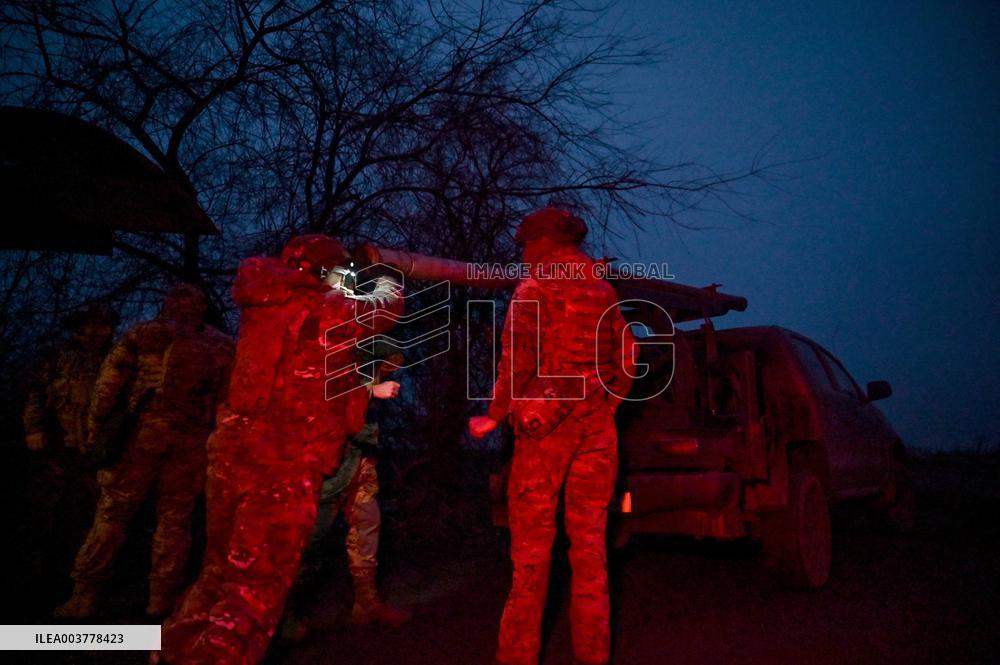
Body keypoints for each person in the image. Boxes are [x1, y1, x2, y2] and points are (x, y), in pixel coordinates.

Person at [159, 235, 403, 665]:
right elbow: (387, 307)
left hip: (234, 458)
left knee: (217, 572)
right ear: (323, 272)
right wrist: (385, 272)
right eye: (340, 272)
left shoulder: (264, 305)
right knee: (253, 591)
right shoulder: (322, 309)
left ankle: (173, 650)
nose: (344, 280)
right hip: (283, 467)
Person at [469, 208, 637, 665]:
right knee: (591, 550)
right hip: (597, 432)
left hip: (544, 434)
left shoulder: (535, 287)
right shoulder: (602, 290)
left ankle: (518, 657)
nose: (524, 254)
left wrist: (494, 415)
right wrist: (607, 407)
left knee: (531, 557)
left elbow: (517, 360)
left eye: (526, 246)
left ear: (542, 244)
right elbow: (630, 356)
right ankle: (593, 655)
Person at [54, 284, 234, 619]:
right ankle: (161, 601)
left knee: (111, 516)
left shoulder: (143, 333)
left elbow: (108, 386)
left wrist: (96, 432)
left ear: (168, 305)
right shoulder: (222, 345)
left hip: (139, 440)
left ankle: (84, 595)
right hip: (190, 445)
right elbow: (227, 403)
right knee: (175, 523)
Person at [282, 343, 411, 642]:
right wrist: (369, 391)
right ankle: (285, 613)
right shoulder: (323, 349)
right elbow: (316, 393)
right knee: (309, 539)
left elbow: (393, 357)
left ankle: (366, 603)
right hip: (328, 459)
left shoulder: (363, 348)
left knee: (367, 526)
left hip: (360, 457)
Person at [22, 303, 119, 575]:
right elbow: (35, 393)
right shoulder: (57, 356)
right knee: (50, 510)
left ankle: (86, 571)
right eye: (94, 325)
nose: (99, 331)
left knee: (95, 514)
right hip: (60, 446)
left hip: (101, 451)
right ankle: (43, 569)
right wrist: (34, 429)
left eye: (105, 326)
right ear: (80, 327)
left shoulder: (117, 358)